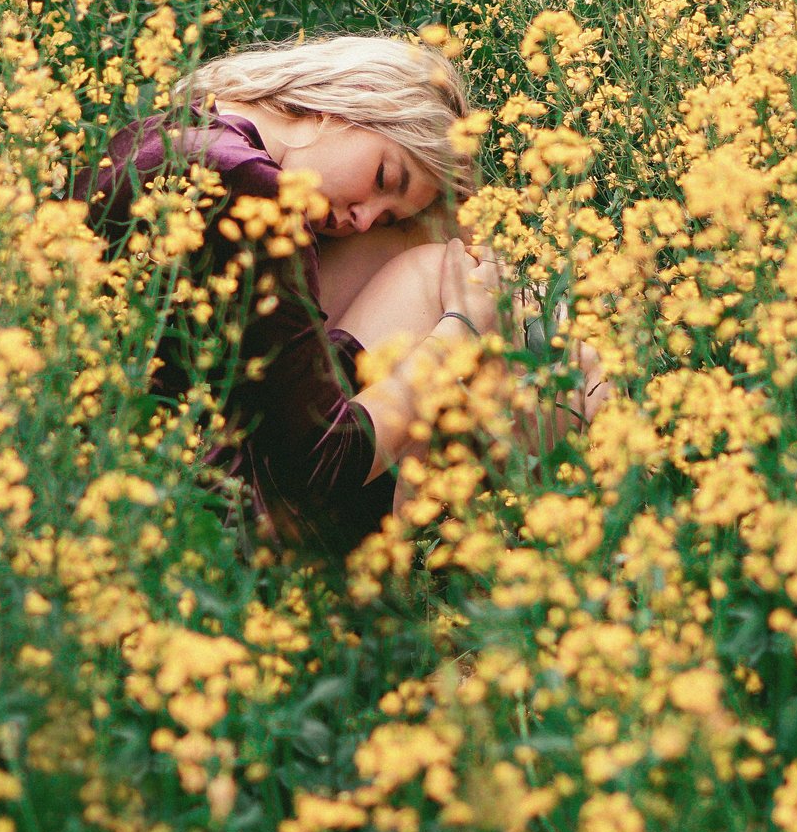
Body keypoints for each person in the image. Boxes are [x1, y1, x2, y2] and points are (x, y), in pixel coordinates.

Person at [72, 34, 589, 555]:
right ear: (347, 104)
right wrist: (459, 328)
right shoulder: (252, 190)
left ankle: (568, 393)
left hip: (162, 454)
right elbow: (324, 462)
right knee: (457, 289)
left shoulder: (192, 125)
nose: (363, 217)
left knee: (439, 250)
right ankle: (576, 466)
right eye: (384, 177)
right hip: (234, 525)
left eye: (385, 211)